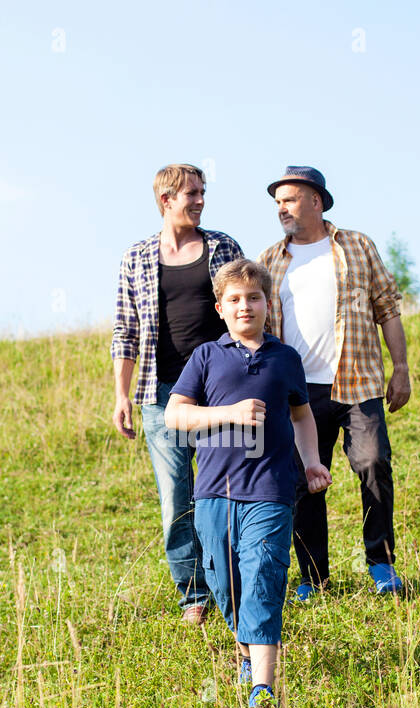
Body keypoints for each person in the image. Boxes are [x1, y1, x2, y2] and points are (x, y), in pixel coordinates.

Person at [165, 259, 331, 708]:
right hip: (214, 490)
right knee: (224, 581)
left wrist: (312, 463)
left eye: (253, 298)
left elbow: (301, 414)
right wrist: (229, 413)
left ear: (267, 304)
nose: (245, 307)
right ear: (220, 308)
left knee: (263, 574)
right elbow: (175, 416)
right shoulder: (205, 357)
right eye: (235, 300)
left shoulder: (285, 358)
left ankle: (263, 685)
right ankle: (244, 646)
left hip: (271, 489)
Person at [257, 166, 412, 598]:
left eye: (288, 199)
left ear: (316, 200)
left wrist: (400, 368)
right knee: (304, 482)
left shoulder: (357, 245)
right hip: (298, 393)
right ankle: (313, 578)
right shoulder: (270, 260)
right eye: (277, 203)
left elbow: (388, 308)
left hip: (358, 382)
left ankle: (381, 565)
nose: (281, 209)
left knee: (373, 464)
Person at [112, 164, 245, 625]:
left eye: (203, 192)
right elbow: (125, 331)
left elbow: (246, 308)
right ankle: (193, 593)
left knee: (225, 493)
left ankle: (234, 579)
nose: (200, 200)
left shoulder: (223, 247)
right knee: (176, 498)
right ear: (166, 200)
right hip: (159, 394)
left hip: (218, 391)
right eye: (192, 194)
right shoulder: (137, 257)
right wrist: (121, 395)